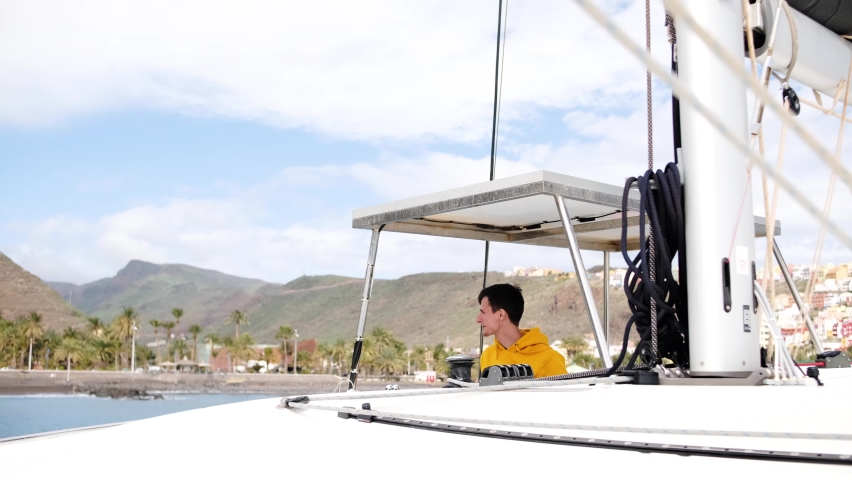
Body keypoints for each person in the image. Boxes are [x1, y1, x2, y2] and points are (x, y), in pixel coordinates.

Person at [477, 283, 567, 378]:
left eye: (483, 313)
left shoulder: (550, 359)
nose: (478, 319)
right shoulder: (487, 355)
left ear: (501, 314)